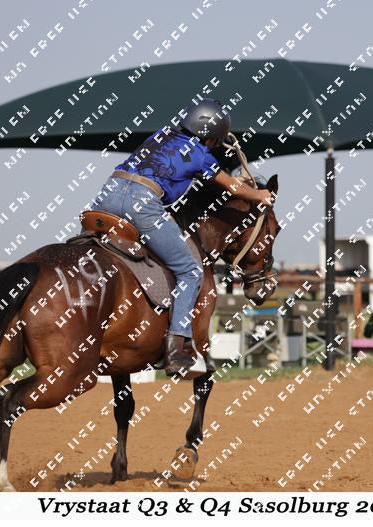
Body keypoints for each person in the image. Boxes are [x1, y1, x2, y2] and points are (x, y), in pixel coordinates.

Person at [90, 99, 273, 377]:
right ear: (211, 137)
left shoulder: (160, 135)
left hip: (107, 194)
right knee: (189, 270)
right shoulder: (201, 154)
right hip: (142, 203)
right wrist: (259, 194)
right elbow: (232, 187)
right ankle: (177, 347)